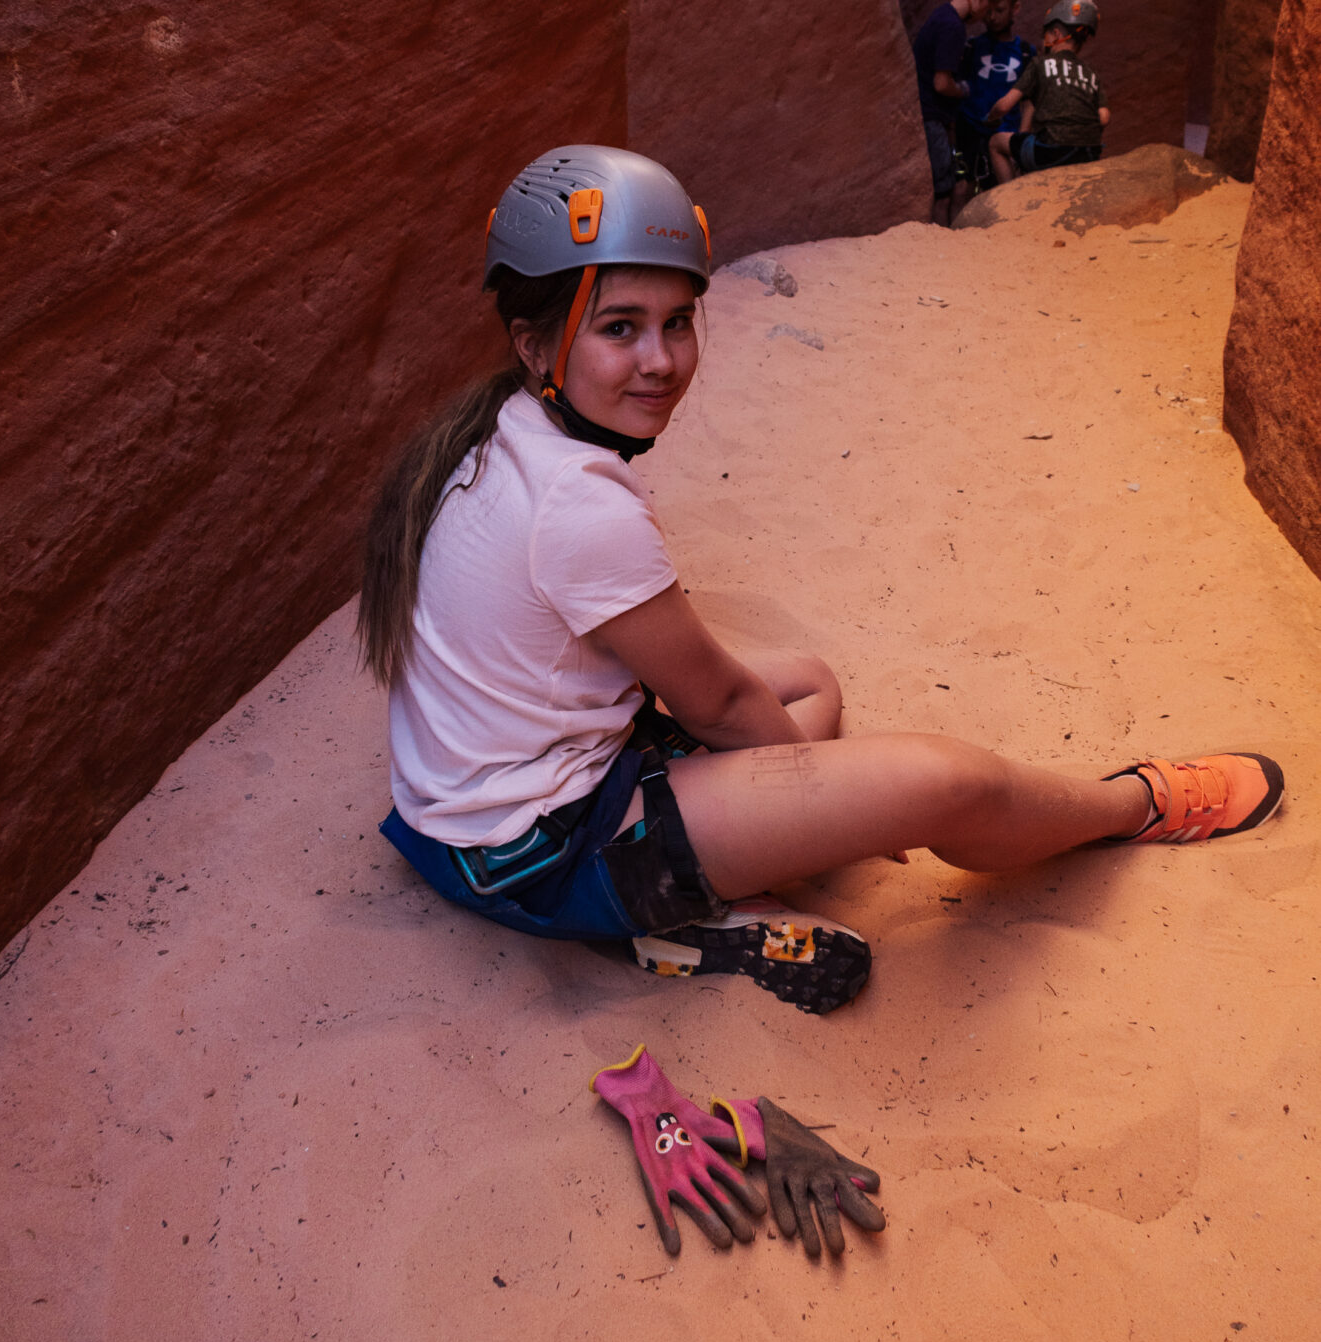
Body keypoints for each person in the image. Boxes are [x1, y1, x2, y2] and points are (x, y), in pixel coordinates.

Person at [359, 144, 1284, 1017]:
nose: (661, 360)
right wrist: (850, 798)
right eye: (619, 328)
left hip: (465, 823)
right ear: (533, 344)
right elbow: (717, 702)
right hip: (545, 853)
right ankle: (1135, 802)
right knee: (944, 782)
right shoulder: (577, 501)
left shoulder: (497, 435)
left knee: (809, 680)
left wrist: (817, 792)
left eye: (676, 322)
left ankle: (717, 896)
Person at [912, 0, 1013, 225]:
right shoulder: (952, 26)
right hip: (932, 116)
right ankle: (941, 248)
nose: (985, 15)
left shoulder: (941, 16)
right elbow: (941, 83)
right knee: (943, 192)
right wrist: (963, 90)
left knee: (953, 185)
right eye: (989, 6)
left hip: (933, 116)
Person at [988, 0, 1108, 187]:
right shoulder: (1091, 73)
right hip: (1088, 154)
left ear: (1057, 34)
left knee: (995, 143)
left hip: (1051, 152)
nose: (1044, 40)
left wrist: (990, 119)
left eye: (1046, 34)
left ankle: (1009, 198)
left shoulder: (1039, 64)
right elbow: (1104, 117)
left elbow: (1004, 106)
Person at [957, 0, 1035, 187]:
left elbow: (1029, 103)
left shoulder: (1026, 54)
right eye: (988, 10)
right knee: (961, 191)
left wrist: (1020, 141)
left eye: (999, 10)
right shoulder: (971, 48)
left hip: (1004, 138)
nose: (992, 17)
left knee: (1004, 193)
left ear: (1015, 8)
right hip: (969, 135)